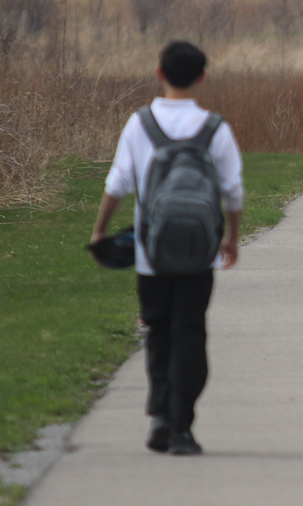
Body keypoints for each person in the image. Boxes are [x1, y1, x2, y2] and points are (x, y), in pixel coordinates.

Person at [89, 41, 244, 456]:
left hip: (151, 254)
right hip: (200, 253)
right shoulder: (215, 128)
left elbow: (117, 184)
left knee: (158, 331)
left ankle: (160, 413)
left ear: (159, 73)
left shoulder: (141, 124)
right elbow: (232, 191)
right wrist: (230, 238)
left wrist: (100, 231)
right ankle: (181, 427)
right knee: (190, 332)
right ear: (201, 77)